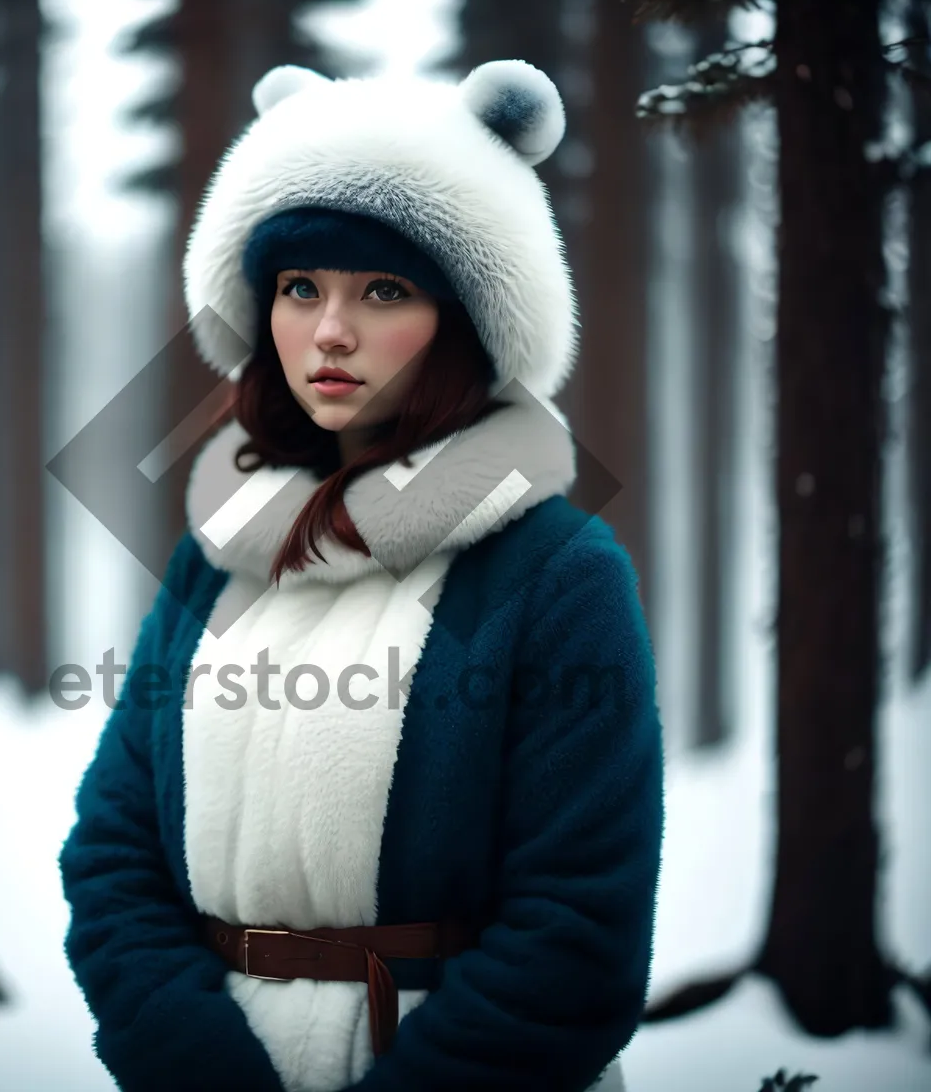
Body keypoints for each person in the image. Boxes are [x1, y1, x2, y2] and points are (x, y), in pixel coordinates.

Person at [59, 59, 665, 1092]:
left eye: (383, 289)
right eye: (302, 288)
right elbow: (114, 856)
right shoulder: (218, 554)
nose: (330, 331)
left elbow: (577, 928)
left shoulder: (555, 570)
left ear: (466, 319)